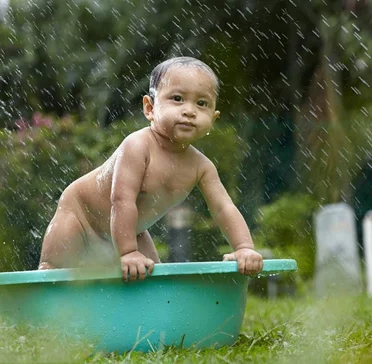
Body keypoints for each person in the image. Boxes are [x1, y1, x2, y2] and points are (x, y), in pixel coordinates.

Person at [38, 56, 263, 281]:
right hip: (80, 213)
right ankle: (38, 297)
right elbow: (122, 200)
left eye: (201, 103)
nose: (189, 110)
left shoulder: (202, 167)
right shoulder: (138, 146)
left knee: (154, 277)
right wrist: (128, 252)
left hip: (130, 228)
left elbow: (224, 208)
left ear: (213, 118)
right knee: (53, 270)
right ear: (150, 108)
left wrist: (244, 247)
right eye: (177, 98)